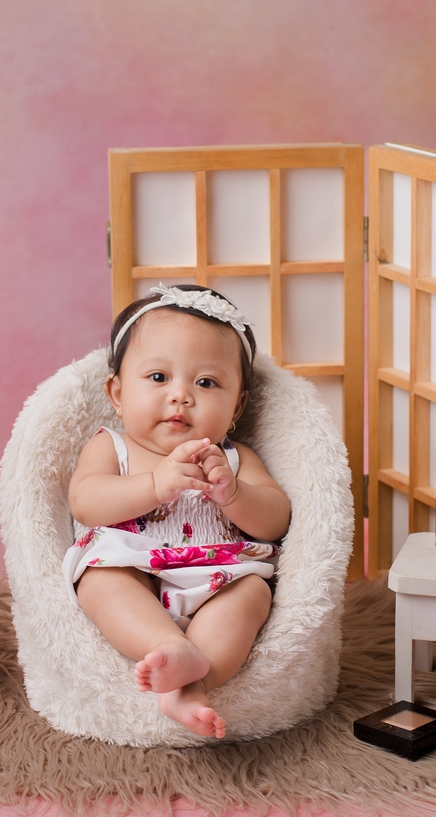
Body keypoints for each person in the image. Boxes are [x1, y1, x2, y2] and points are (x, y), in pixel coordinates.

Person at [64, 284, 291, 739]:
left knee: (252, 594)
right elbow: (85, 502)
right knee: (100, 580)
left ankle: (191, 685)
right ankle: (166, 644)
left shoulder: (233, 458)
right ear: (117, 393)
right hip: (135, 568)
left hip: (217, 575)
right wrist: (153, 486)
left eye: (206, 383)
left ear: (237, 405)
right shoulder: (113, 447)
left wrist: (235, 495)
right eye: (158, 377)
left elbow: (276, 521)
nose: (181, 396)